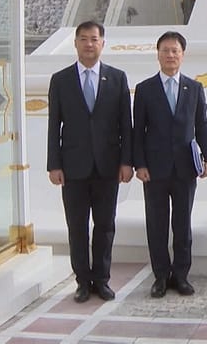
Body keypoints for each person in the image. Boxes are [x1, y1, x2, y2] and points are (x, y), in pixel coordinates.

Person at [47, 21, 133, 303]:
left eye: (94, 39)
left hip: (108, 166)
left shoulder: (117, 78)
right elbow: (54, 126)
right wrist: (54, 164)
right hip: (73, 167)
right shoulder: (60, 80)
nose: (89, 44)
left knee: (105, 226)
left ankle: (102, 279)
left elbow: (126, 125)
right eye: (83, 39)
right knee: (77, 227)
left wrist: (126, 161)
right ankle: (82, 281)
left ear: (102, 44)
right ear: (75, 43)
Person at [132, 31, 207, 298]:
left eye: (175, 51)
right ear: (158, 54)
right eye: (165, 50)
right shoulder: (145, 89)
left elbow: (202, 125)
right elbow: (137, 131)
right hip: (154, 170)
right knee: (156, 224)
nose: (170, 55)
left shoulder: (194, 88)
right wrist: (139, 164)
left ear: (182, 55)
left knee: (182, 224)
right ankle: (160, 276)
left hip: (184, 169)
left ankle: (181, 275)